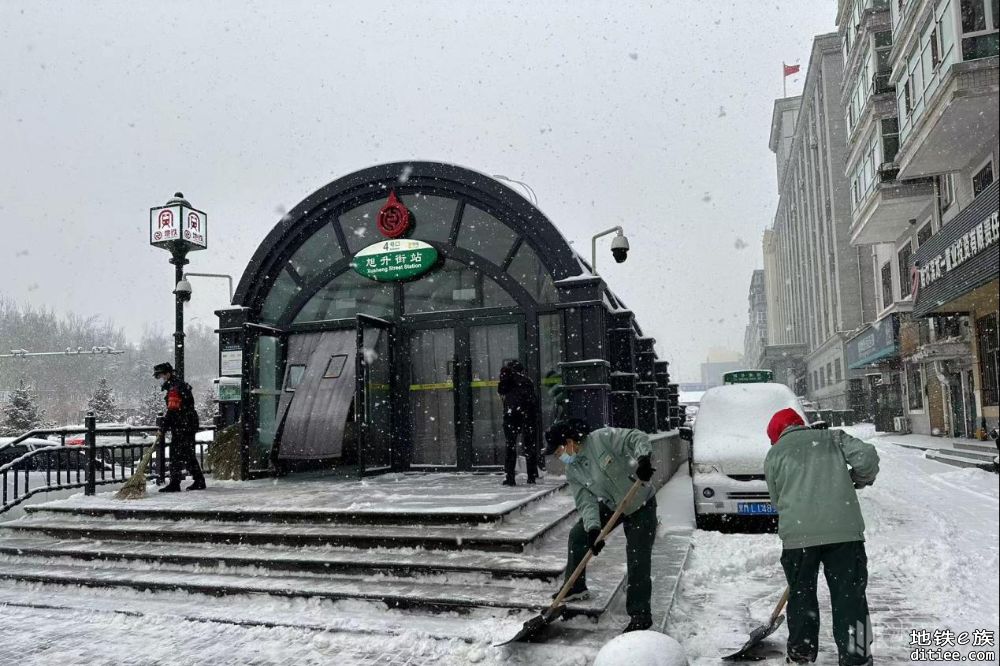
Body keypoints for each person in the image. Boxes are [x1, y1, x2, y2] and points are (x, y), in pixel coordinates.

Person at [764, 408, 879, 666]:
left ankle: (801, 654)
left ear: (777, 434)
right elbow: (867, 457)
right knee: (851, 598)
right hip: (843, 533)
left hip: (799, 537)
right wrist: (857, 479)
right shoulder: (832, 438)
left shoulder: (775, 454)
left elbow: (776, 500)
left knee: (801, 597)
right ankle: (857, 656)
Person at [544, 418, 657, 633]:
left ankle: (640, 614)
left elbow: (636, 436)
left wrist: (643, 459)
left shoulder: (601, 439)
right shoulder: (573, 469)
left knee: (637, 557)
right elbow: (586, 503)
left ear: (569, 442)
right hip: (613, 503)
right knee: (579, 535)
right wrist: (593, 530)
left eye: (558, 450)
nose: (559, 456)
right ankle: (575, 587)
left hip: (640, 501)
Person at [153, 362, 206, 492]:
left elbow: (172, 410)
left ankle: (177, 483)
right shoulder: (179, 385)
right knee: (187, 454)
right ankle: (196, 480)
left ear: (168, 373)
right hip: (187, 423)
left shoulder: (174, 388)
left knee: (177, 454)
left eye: (162, 376)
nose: (161, 379)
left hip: (183, 425)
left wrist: (163, 427)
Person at [497, 360, 539, 486]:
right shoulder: (527, 381)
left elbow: (501, 391)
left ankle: (510, 477)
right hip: (527, 415)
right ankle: (531, 476)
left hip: (511, 416)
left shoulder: (507, 380)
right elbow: (533, 400)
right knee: (529, 446)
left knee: (510, 446)